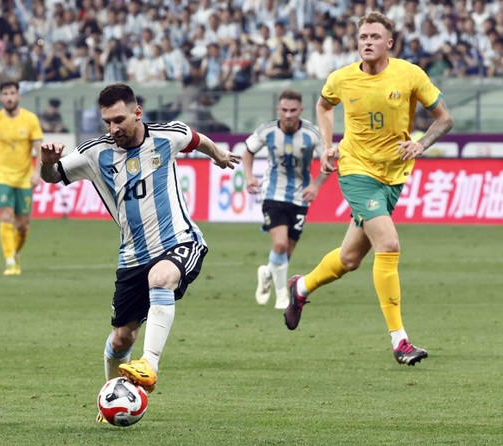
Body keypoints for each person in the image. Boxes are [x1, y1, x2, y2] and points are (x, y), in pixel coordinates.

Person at [39, 83, 240, 421]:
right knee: (120, 339)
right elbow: (51, 176)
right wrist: (47, 163)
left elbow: (195, 137)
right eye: (106, 122)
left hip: (179, 240)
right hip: (132, 255)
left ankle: (150, 363)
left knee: (161, 277)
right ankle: (112, 397)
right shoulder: (94, 153)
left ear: (137, 113)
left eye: (118, 119)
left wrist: (217, 154)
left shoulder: (166, 136)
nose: (113, 128)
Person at [285, 12, 454, 366]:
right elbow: (323, 104)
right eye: (363, 36)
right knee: (389, 244)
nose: (367, 42)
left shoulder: (409, 75)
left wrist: (421, 143)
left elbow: (445, 118)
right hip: (356, 171)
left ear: (388, 43)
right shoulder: (342, 78)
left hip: (393, 176)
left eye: (375, 36)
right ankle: (400, 341)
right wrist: (327, 145)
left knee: (349, 259)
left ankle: (300, 287)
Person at [243, 90, 330, 310]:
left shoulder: (312, 133)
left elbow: (328, 161)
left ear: (300, 110)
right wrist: (249, 176)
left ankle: (267, 273)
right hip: (273, 193)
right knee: (280, 244)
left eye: (293, 110)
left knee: (286, 252)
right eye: (284, 110)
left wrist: (315, 185)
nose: (288, 114)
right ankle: (282, 296)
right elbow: (248, 151)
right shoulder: (268, 130)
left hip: (301, 197)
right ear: (278, 110)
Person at [0, 81, 43, 276]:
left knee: (22, 225)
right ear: (0, 97)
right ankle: (10, 262)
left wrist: (37, 172)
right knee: (6, 215)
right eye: (5, 94)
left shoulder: (30, 119)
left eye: (12, 93)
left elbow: (39, 148)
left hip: (24, 177)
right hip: (2, 175)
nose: (9, 97)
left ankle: (14, 253)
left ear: (18, 95)